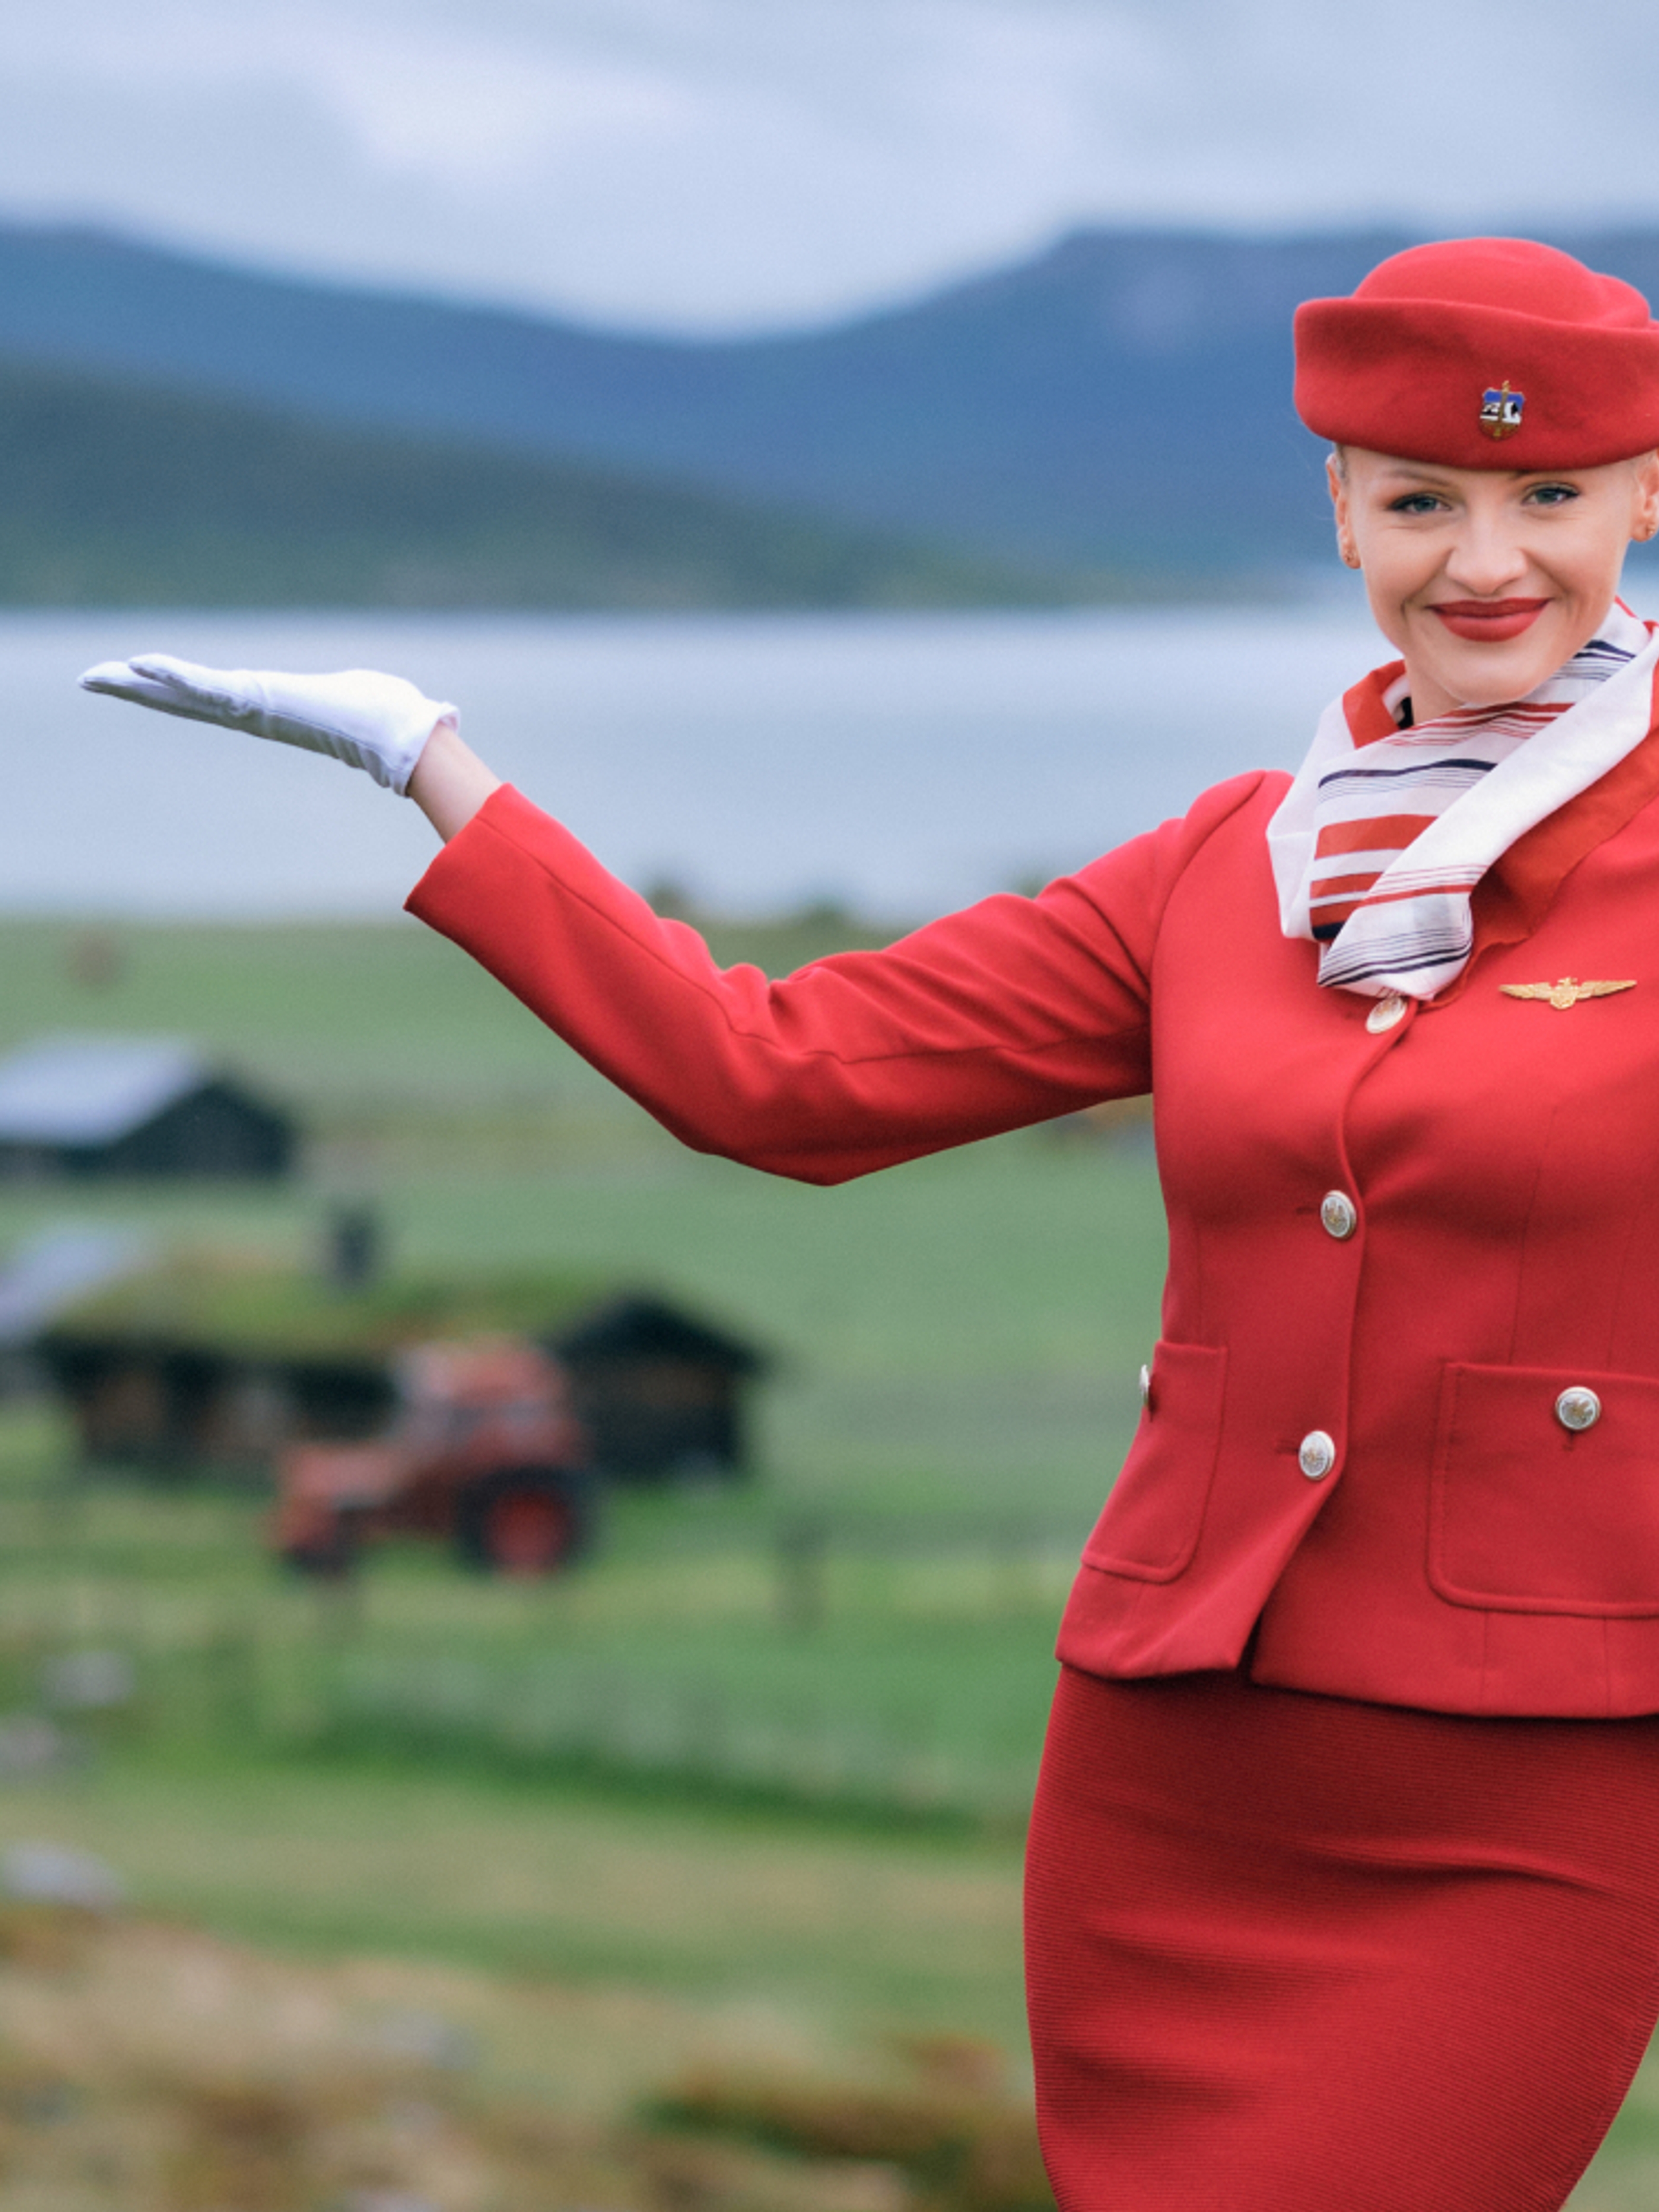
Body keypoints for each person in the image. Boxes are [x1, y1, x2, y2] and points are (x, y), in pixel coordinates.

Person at [80, 236, 1659, 2211]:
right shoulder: (1216, 868)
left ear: (1644, 498)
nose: (1485, 559)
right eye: (1422, 497)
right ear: (1339, 507)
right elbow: (777, 1078)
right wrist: (436, 768)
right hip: (1178, 1767)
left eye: (1548, 496)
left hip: (1538, 1794)